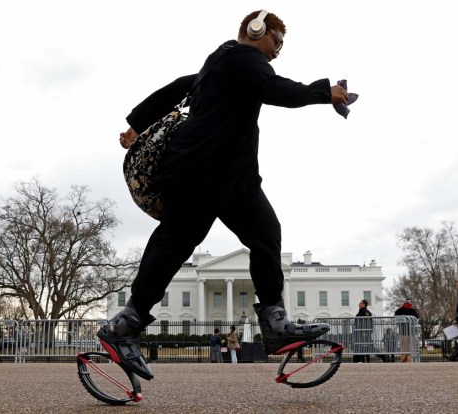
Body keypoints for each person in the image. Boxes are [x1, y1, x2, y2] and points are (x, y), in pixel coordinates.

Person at [97, 10, 344, 380]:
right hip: (197, 170)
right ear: (255, 29)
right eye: (276, 40)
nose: (278, 49)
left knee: (264, 234)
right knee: (175, 244)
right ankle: (122, 328)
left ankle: (275, 322)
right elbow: (277, 90)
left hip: (233, 177)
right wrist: (325, 92)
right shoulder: (241, 58)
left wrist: (136, 123)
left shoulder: (221, 63)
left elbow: (180, 85)